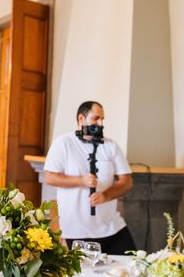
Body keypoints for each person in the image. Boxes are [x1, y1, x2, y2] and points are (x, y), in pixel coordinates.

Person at [44, 101, 135, 255]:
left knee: (133, 264)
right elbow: (50, 177)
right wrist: (81, 181)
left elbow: (126, 181)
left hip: (112, 227)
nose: (100, 123)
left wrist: (106, 196)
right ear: (81, 118)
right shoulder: (63, 143)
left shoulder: (111, 146)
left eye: (102, 119)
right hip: (76, 230)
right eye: (96, 118)